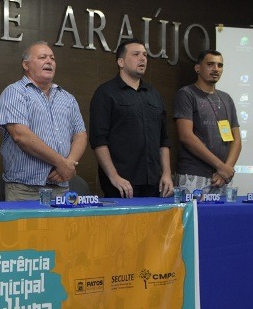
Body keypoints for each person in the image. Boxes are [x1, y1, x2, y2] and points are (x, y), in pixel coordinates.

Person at [0, 41, 87, 200]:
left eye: (52, 58)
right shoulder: (15, 92)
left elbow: (80, 134)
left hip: (61, 189)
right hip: (25, 190)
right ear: (26, 65)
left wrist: (69, 163)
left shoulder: (67, 98)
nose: (49, 61)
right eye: (42, 57)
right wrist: (62, 163)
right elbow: (20, 135)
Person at [89, 39, 173, 198]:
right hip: (121, 184)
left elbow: (164, 140)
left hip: (154, 183)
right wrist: (113, 176)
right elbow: (98, 140)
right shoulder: (106, 93)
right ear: (120, 61)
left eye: (145, 55)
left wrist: (167, 174)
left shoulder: (154, 93)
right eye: (136, 54)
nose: (142, 59)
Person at [174, 50, 241, 192]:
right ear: (198, 68)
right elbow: (186, 136)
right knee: (195, 215)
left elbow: (236, 140)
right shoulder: (186, 94)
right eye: (210, 64)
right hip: (193, 175)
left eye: (220, 65)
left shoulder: (226, 98)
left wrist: (226, 169)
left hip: (223, 178)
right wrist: (220, 166)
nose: (216, 69)